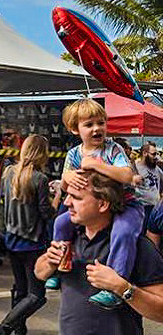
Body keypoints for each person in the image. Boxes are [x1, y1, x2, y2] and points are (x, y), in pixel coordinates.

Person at [35, 170, 163, 333]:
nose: (67, 202)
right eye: (68, 195)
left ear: (103, 204)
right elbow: (39, 272)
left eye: (77, 198)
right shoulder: (70, 237)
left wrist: (123, 289)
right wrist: (48, 262)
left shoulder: (136, 246)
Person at [54, 99, 141, 309]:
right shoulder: (73, 154)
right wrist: (69, 179)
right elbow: (65, 181)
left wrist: (95, 165)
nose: (97, 129)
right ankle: (60, 263)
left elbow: (127, 175)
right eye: (89, 124)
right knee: (60, 223)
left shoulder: (113, 149)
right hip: (95, 208)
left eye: (101, 123)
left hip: (124, 206)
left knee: (124, 232)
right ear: (75, 129)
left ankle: (115, 284)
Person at [0, 135, 54, 335]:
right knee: (36, 295)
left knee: (20, 288)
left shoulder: (9, 172)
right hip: (33, 243)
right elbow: (46, 213)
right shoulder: (40, 179)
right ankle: (4, 328)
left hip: (11, 239)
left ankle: (19, 329)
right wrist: (58, 195)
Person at [134, 142, 161, 228]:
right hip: (142, 208)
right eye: (153, 154)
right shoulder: (135, 167)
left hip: (155, 207)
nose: (155, 156)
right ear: (145, 153)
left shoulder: (155, 168)